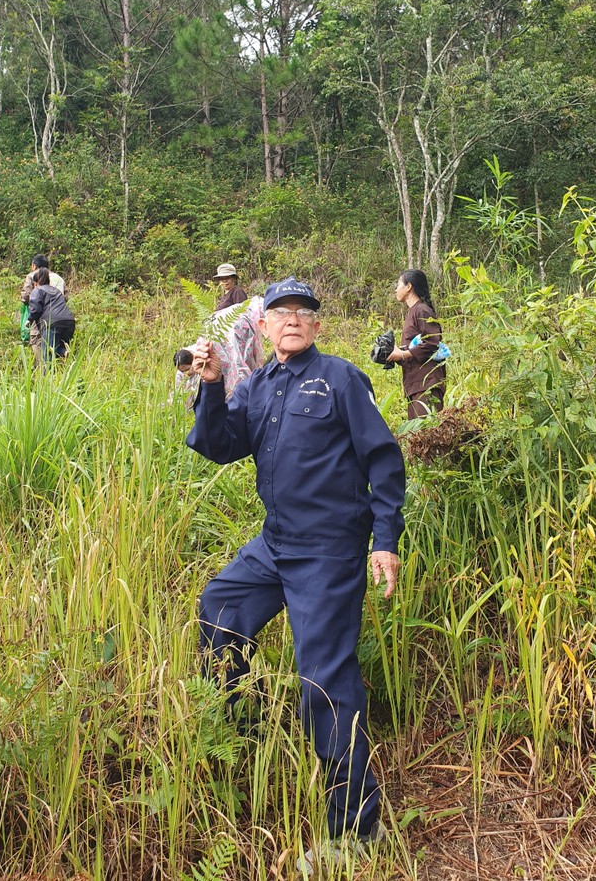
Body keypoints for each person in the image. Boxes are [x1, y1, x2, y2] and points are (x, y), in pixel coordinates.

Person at [186, 276, 406, 874]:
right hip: (275, 545)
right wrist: (210, 388)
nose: (291, 319)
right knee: (220, 608)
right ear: (262, 326)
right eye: (279, 311)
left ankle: (357, 832)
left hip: (329, 552)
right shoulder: (258, 384)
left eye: (302, 312)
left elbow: (384, 458)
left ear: (316, 325)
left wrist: (384, 541)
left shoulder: (340, 379)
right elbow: (220, 444)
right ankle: (236, 729)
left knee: (324, 682)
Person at [387, 269, 446, 419]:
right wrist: (396, 354)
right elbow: (416, 346)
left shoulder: (422, 310)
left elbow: (432, 342)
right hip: (415, 384)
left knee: (429, 433)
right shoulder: (413, 312)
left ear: (409, 287)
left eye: (398, 284)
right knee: (417, 436)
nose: (396, 289)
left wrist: (403, 354)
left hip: (426, 383)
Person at [21, 254, 67, 361]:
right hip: (62, 316)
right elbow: (65, 297)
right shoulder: (59, 278)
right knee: (55, 344)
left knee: (37, 342)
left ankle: (42, 372)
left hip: (42, 317)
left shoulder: (33, 276)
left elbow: (25, 296)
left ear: (34, 265)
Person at [28, 268, 75, 368]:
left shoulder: (38, 290)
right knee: (57, 348)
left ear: (36, 283)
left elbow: (35, 309)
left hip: (52, 323)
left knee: (47, 355)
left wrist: (30, 319)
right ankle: (65, 353)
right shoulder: (56, 290)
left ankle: (48, 380)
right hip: (69, 321)